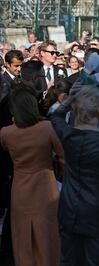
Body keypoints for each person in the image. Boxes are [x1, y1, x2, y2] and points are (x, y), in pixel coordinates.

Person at [50, 86, 99, 265]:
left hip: (69, 209)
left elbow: (55, 116)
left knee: (68, 260)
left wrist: (71, 99)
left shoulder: (69, 136)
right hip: (97, 211)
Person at [0, 83, 64, 266]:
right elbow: (63, 158)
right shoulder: (47, 128)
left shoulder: (6, 133)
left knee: (22, 238)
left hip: (20, 189)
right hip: (46, 187)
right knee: (47, 236)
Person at [0, 50, 23, 261]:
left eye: (20, 66)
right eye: (15, 66)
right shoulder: (4, 83)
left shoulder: (18, 81)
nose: (18, 69)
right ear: (7, 64)